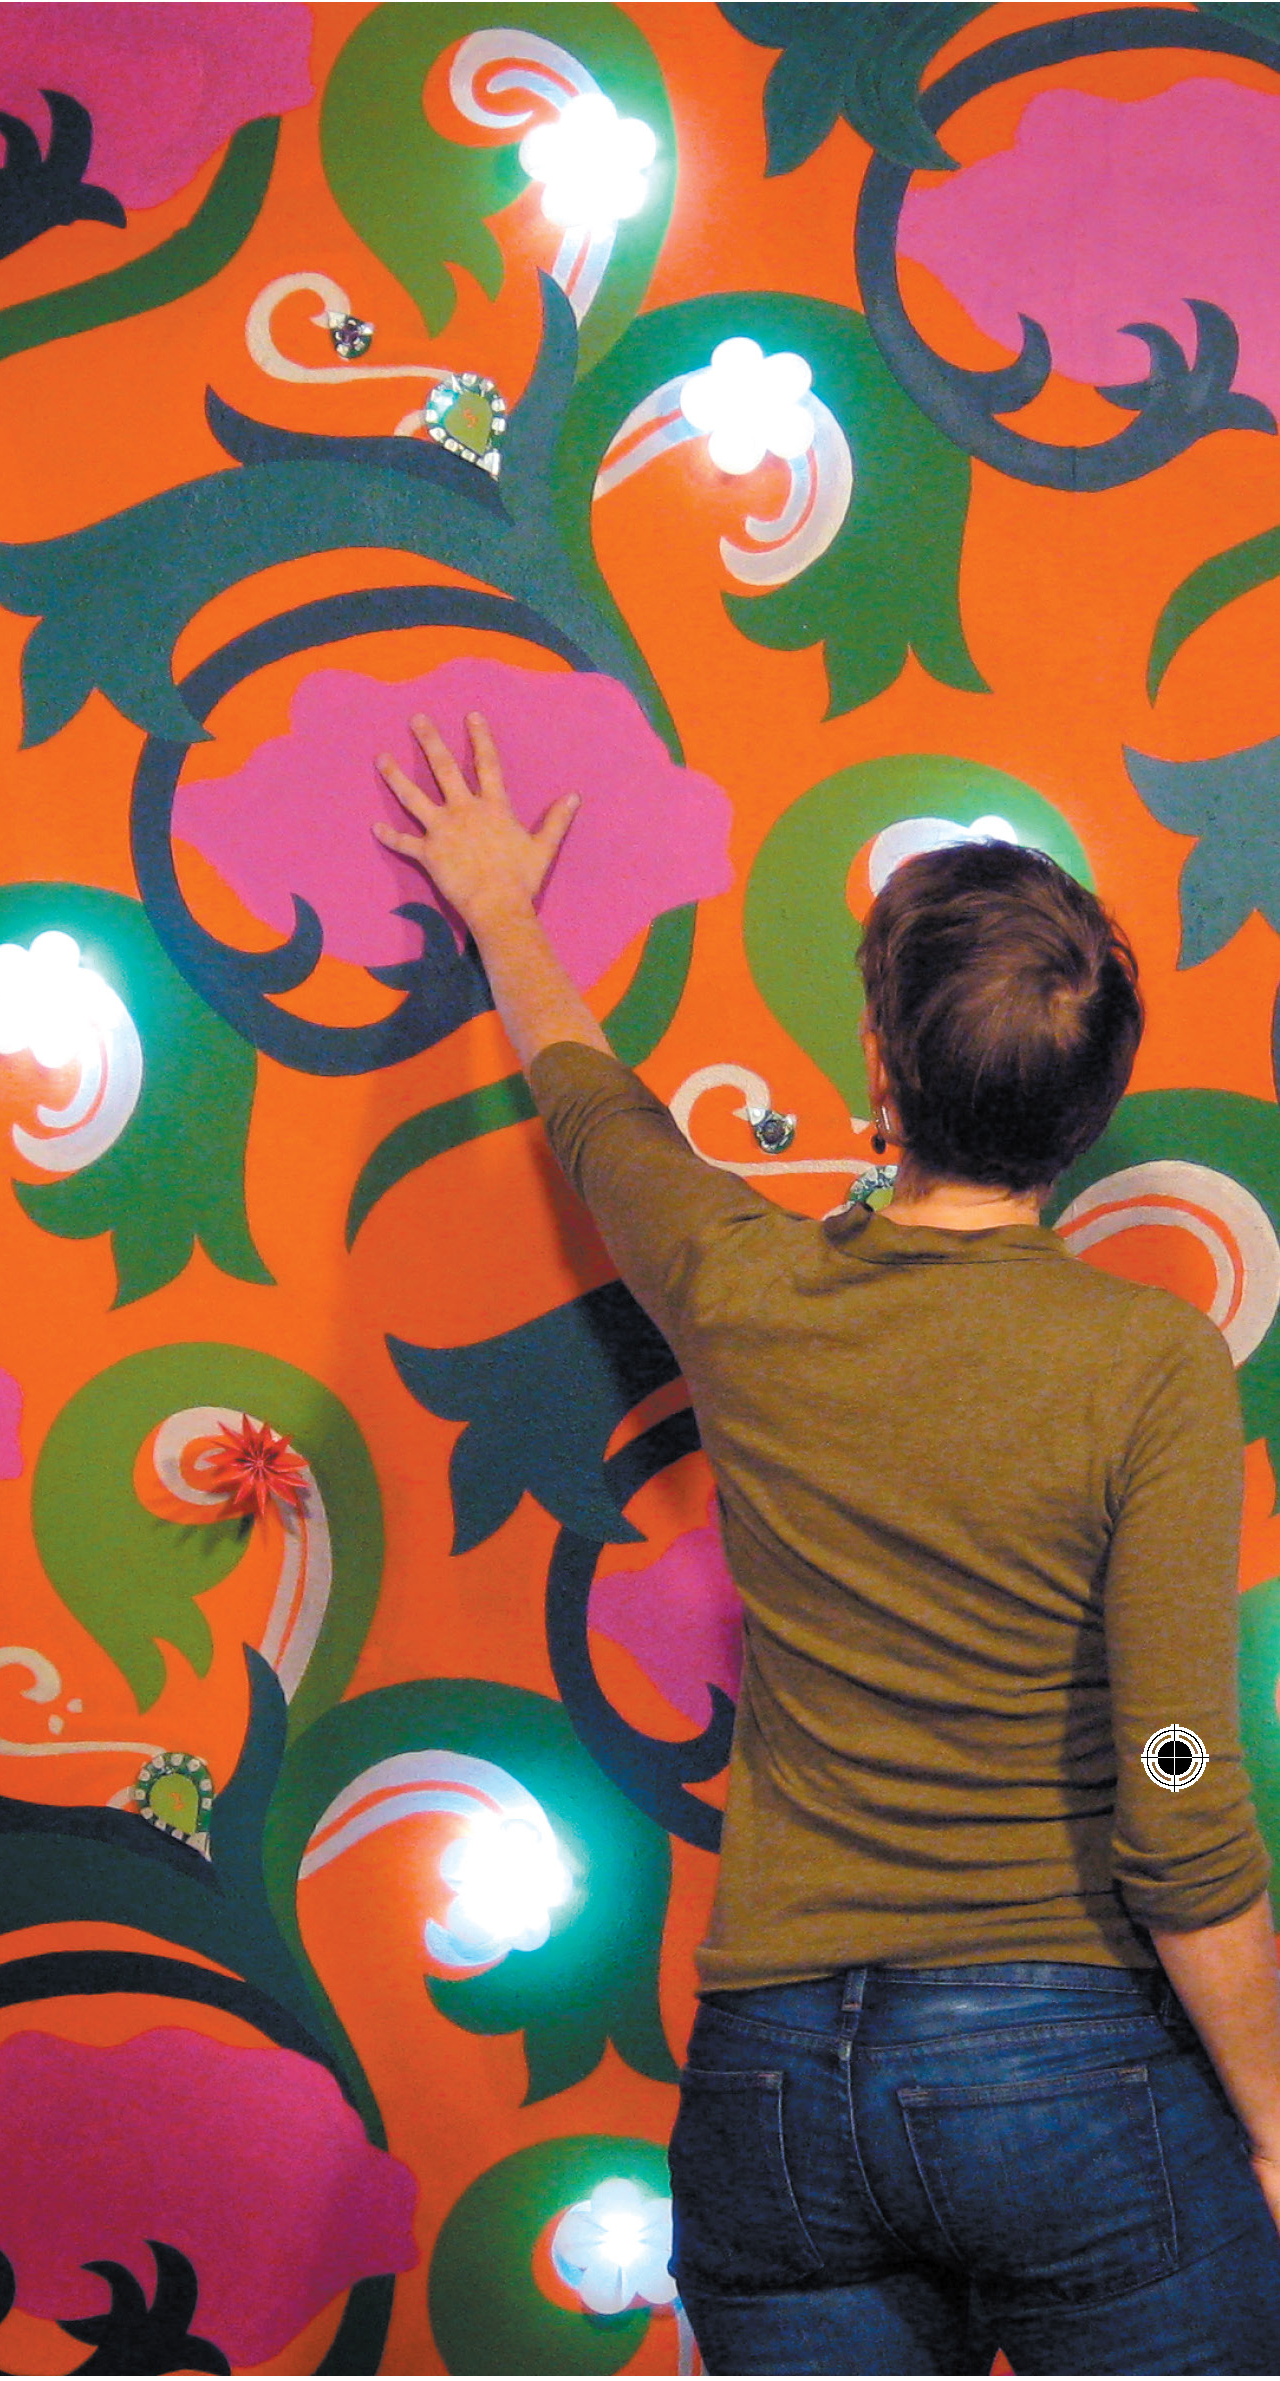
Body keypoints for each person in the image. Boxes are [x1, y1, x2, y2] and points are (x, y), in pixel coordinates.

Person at [373, 710, 1280, 2376]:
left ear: (881, 1063)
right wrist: (1278, 2113)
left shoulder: (748, 1289)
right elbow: (1174, 1765)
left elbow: (599, 1120)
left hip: (776, 2084)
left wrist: (501, 907)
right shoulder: (1151, 1363)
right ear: (1091, 1100)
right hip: (1065, 2067)